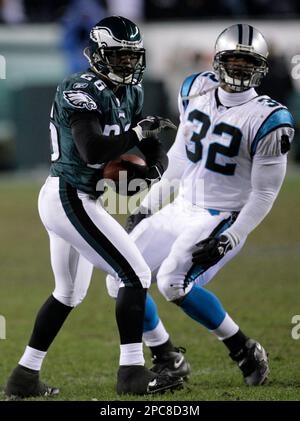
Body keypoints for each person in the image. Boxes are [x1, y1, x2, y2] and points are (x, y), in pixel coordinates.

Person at [4, 16, 184, 398]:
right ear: (98, 55)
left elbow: (152, 149)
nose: (127, 65)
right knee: (134, 275)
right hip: (69, 194)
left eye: (132, 57)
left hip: (80, 198)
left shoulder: (130, 92)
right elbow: (93, 150)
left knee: (68, 293)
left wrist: (155, 163)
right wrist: (137, 134)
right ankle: (133, 371)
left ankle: (24, 376)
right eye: (118, 57)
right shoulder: (79, 88)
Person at [107, 23, 295, 386]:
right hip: (184, 204)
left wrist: (233, 237)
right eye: (233, 60)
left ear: (261, 67)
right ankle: (166, 355)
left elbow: (264, 193)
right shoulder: (195, 87)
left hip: (222, 213)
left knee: (172, 282)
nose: (239, 68)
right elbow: (179, 157)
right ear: (218, 60)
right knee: (121, 277)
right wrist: (149, 205)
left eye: (248, 62)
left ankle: (243, 348)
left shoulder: (271, 118)